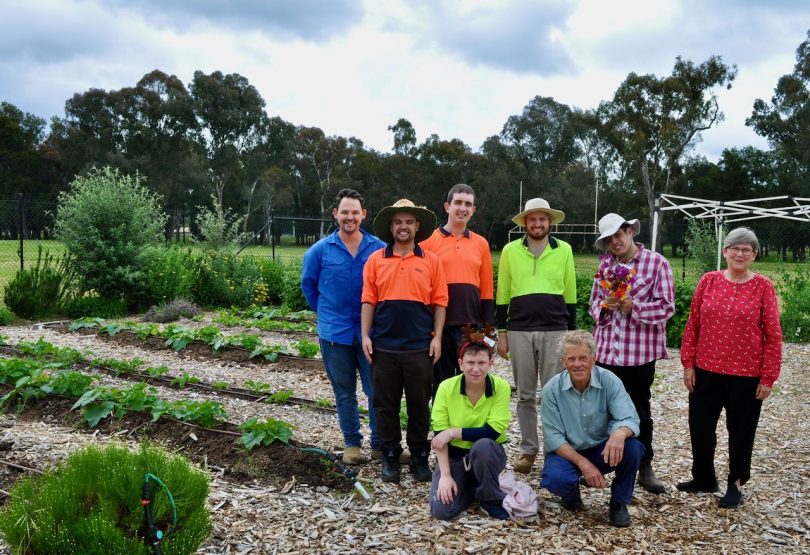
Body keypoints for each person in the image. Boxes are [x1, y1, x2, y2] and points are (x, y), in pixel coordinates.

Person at [678, 227, 782, 508]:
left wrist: (768, 376)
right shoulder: (709, 281)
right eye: (734, 248)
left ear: (754, 255)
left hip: (746, 375)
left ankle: (735, 483)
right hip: (706, 370)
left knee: (741, 432)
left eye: (746, 249)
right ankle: (703, 477)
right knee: (700, 428)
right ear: (724, 251)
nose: (739, 253)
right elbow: (694, 324)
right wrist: (688, 363)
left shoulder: (762, 286)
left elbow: (773, 334)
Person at [361, 199, 448, 483]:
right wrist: (365, 335)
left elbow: (440, 302)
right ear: (391, 226)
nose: (403, 227)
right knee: (385, 405)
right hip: (384, 347)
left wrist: (437, 338)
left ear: (417, 226)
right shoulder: (376, 259)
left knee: (419, 405)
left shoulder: (431, 260)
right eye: (398, 222)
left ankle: (420, 456)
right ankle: (390, 455)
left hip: (419, 347)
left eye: (409, 222)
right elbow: (368, 300)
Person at [588, 213, 674, 494]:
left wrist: (632, 307)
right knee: (603, 411)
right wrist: (604, 306)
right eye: (609, 239)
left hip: (638, 355)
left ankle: (643, 465)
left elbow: (666, 308)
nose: (615, 242)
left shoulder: (657, 263)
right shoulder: (605, 266)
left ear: (629, 232)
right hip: (606, 353)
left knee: (639, 411)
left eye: (618, 235)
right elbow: (592, 304)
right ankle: (602, 463)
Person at [301, 189, 385, 465]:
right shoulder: (319, 251)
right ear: (335, 214)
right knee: (344, 391)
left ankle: (379, 444)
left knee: (377, 391)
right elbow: (309, 288)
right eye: (344, 211)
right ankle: (352, 444)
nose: (350, 217)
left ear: (364, 214)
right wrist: (327, 314)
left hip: (369, 334)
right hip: (334, 334)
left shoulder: (379, 249)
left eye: (355, 212)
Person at [495, 197, 577, 474]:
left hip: (555, 329)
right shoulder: (509, 251)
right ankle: (529, 450)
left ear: (549, 222)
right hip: (519, 329)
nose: (538, 223)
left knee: (554, 393)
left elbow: (570, 292)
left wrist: (571, 334)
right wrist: (502, 333)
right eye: (533, 219)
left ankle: (556, 449)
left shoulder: (564, 250)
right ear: (525, 223)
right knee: (525, 395)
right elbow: (503, 292)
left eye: (542, 219)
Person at [540, 330, 644, 528]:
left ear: (594, 359)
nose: (577, 364)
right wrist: (584, 465)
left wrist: (619, 433)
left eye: (583, 358)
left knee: (632, 448)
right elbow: (553, 438)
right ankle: (572, 497)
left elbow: (630, 418)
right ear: (563, 361)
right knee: (555, 479)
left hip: (603, 448)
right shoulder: (551, 390)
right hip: (569, 452)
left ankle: (619, 502)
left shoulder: (609, 380)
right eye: (571, 358)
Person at [421, 184, 494, 399]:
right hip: (439, 326)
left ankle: (464, 430)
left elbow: (487, 289)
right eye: (458, 203)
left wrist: (488, 332)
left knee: (469, 383)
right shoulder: (427, 242)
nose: (463, 208)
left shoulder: (481, 244)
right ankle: (440, 430)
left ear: (473, 210)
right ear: (447, 206)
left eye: (468, 204)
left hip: (471, 326)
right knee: (440, 384)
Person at [429, 334, 511, 521]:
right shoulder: (445, 387)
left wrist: (453, 432)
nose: (476, 369)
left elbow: (492, 431)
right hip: (454, 455)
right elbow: (439, 436)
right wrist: (445, 476)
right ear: (460, 363)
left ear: (491, 363)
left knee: (483, 446)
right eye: (470, 362)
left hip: (486, 453)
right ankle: (473, 486)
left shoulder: (501, 387)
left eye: (482, 363)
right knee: (442, 511)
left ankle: (490, 498)